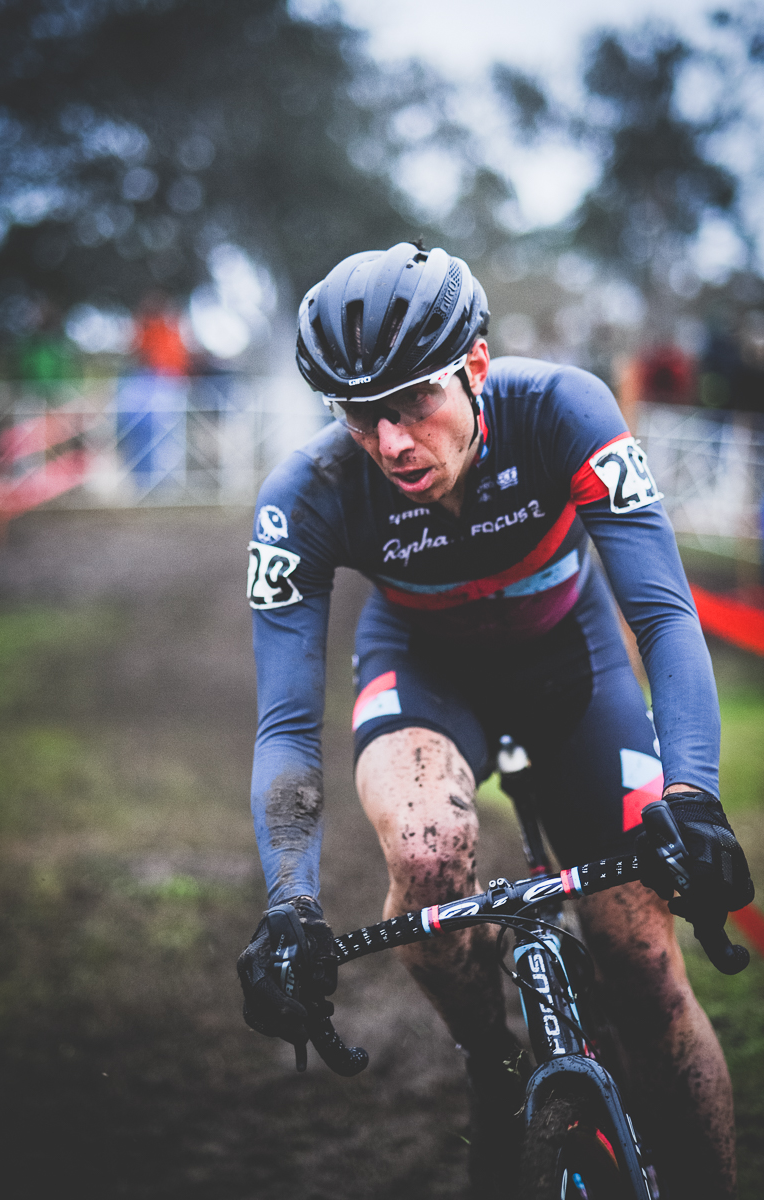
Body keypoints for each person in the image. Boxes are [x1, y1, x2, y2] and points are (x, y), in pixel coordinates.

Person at [237, 243, 753, 1198]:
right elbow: (287, 728)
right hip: (426, 669)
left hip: (573, 660)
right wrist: (289, 904)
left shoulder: (564, 409)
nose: (391, 441)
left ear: (475, 364)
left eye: (413, 402)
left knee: (646, 968)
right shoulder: (306, 495)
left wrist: (693, 794)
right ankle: (493, 1061)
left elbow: (662, 615)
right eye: (360, 413)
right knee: (426, 854)